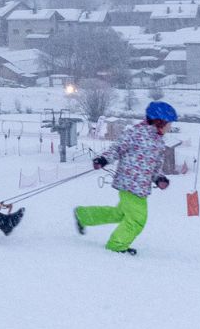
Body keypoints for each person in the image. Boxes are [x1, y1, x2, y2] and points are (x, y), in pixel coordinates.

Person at [73, 101, 177, 255]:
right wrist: (103, 159)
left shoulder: (159, 143)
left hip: (141, 187)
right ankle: (117, 245)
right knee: (137, 220)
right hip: (129, 184)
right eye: (169, 124)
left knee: (119, 214)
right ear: (159, 121)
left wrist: (159, 178)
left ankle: (83, 215)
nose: (170, 127)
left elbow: (155, 168)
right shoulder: (135, 133)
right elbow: (117, 148)